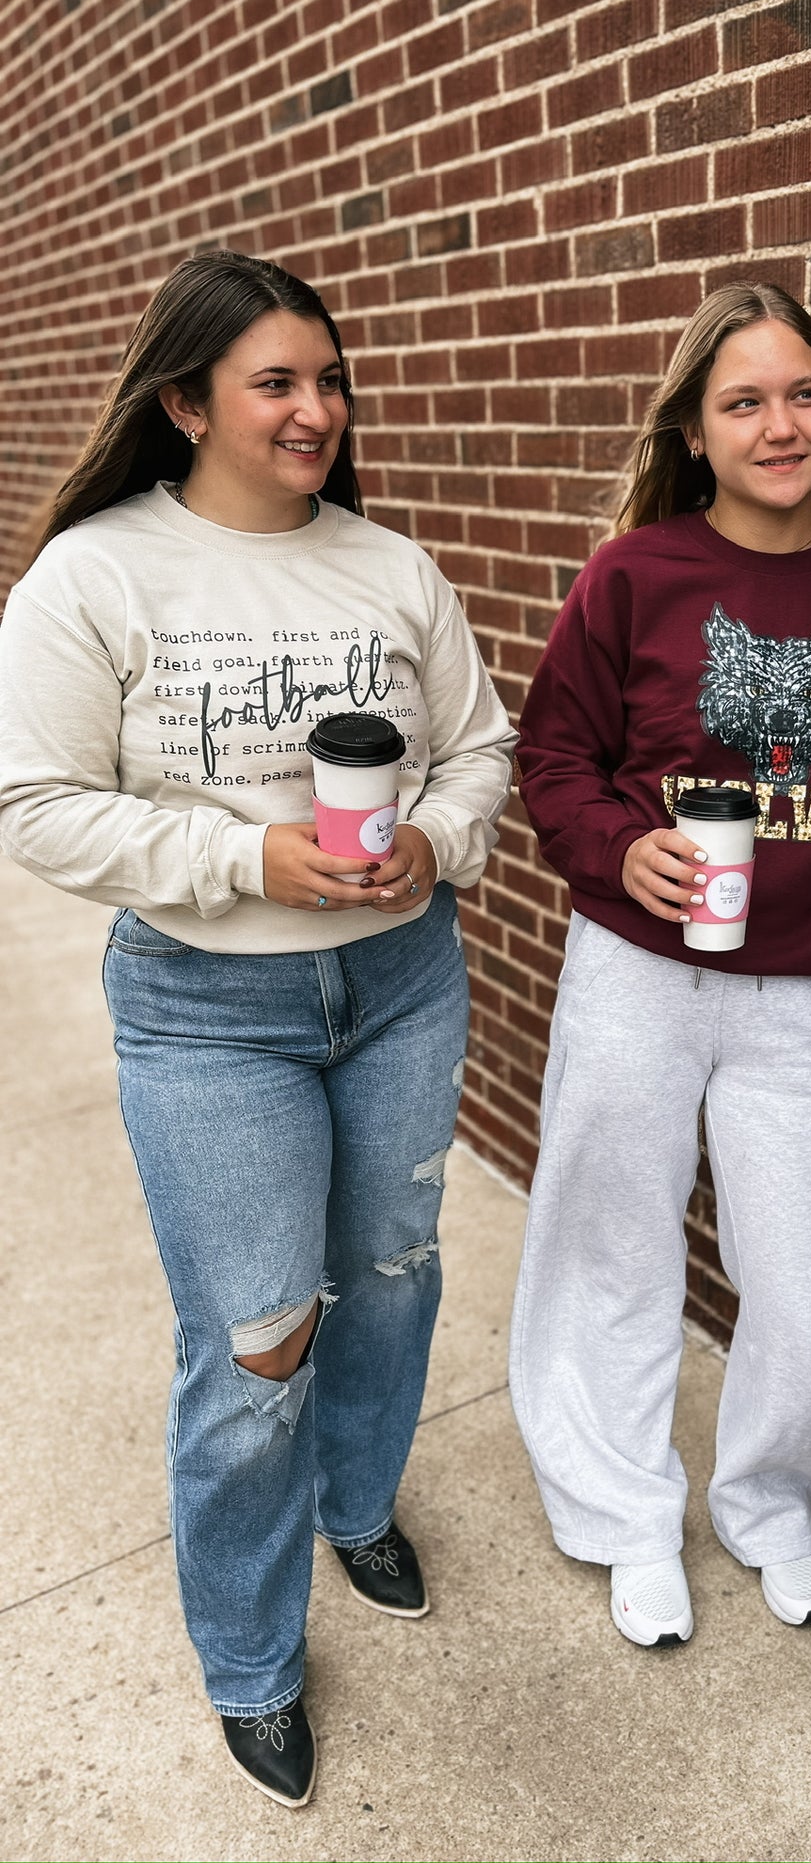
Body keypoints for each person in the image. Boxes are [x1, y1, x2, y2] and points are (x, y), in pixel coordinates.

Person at [0, 250, 516, 1808]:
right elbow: (36, 803)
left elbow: (479, 750)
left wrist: (436, 841)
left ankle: (356, 1505)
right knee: (257, 1338)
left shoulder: (391, 566)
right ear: (186, 400)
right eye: (275, 381)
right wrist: (244, 858)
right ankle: (249, 1654)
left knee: (390, 1275)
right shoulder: (99, 572)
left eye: (328, 379)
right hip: (210, 1011)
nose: (315, 409)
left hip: (402, 982)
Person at [510, 283, 811, 1648]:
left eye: (801, 394)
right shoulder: (633, 573)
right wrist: (613, 851)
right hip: (637, 970)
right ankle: (623, 1515)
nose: (778, 423)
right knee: (611, 1253)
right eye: (742, 401)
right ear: (696, 431)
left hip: (800, 995)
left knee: (802, 1289)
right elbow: (554, 759)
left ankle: (769, 1506)